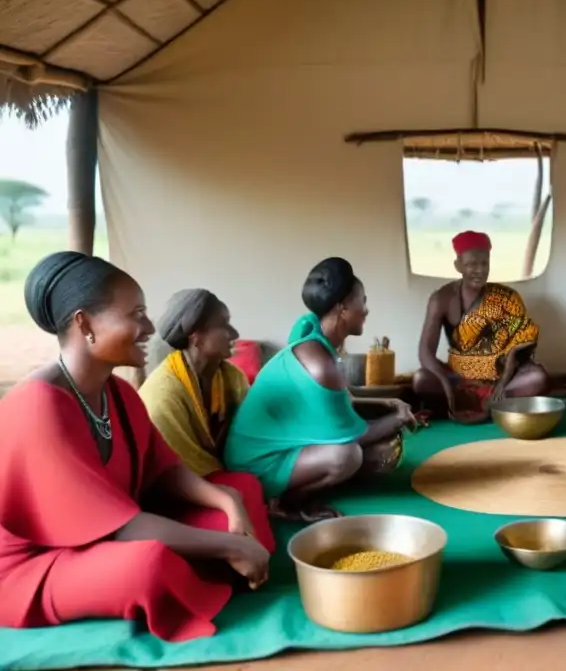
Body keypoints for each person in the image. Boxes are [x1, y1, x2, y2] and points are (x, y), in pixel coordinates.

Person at [0, 253, 273, 641]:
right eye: (136, 313)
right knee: (147, 563)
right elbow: (120, 528)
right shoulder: (37, 407)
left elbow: (164, 469)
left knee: (241, 488)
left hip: (121, 530)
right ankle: (219, 565)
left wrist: (226, 501)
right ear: (85, 323)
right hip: (39, 563)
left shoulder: (120, 392)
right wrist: (225, 544)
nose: (149, 327)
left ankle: (219, 562)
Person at [224, 257, 420, 521]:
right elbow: (356, 436)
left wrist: (388, 403)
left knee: (372, 452)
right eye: (362, 301)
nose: (366, 309)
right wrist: (400, 417)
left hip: (271, 448)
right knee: (348, 456)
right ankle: (286, 502)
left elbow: (343, 399)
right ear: (342, 308)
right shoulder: (320, 364)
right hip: (256, 463)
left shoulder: (313, 337)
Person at [412, 230, 549, 424]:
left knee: (537, 377)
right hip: (458, 379)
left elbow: (520, 349)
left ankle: (486, 402)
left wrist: (501, 384)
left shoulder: (507, 297)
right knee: (421, 379)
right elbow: (425, 352)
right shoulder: (441, 298)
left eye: (484, 263)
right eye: (471, 264)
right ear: (458, 265)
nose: (479, 270)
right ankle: (493, 406)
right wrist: (446, 384)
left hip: (502, 376)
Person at [140, 289, 249, 477]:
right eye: (224, 324)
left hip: (218, 475)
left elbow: (248, 436)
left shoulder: (232, 377)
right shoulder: (162, 395)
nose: (234, 333)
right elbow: (173, 467)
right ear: (195, 336)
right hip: (175, 484)